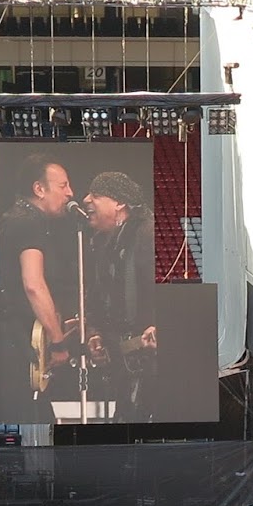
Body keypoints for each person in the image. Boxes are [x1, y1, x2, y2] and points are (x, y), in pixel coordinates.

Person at [0, 153, 81, 417]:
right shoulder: (27, 223)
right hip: (18, 347)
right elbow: (33, 284)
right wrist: (57, 342)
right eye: (63, 185)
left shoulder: (20, 218)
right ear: (39, 189)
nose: (70, 193)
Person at [81, 170, 156, 421]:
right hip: (122, 363)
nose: (85, 200)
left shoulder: (147, 233)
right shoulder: (100, 243)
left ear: (119, 202)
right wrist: (95, 333)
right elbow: (96, 299)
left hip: (149, 361)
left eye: (96, 195)